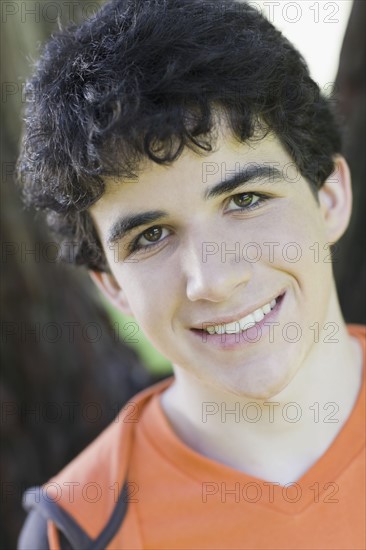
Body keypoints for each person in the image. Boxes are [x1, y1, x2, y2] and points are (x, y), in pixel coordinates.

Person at [17, 0, 365, 548]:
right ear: (111, 286)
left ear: (330, 198)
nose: (212, 279)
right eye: (150, 236)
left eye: (246, 198)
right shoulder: (80, 529)